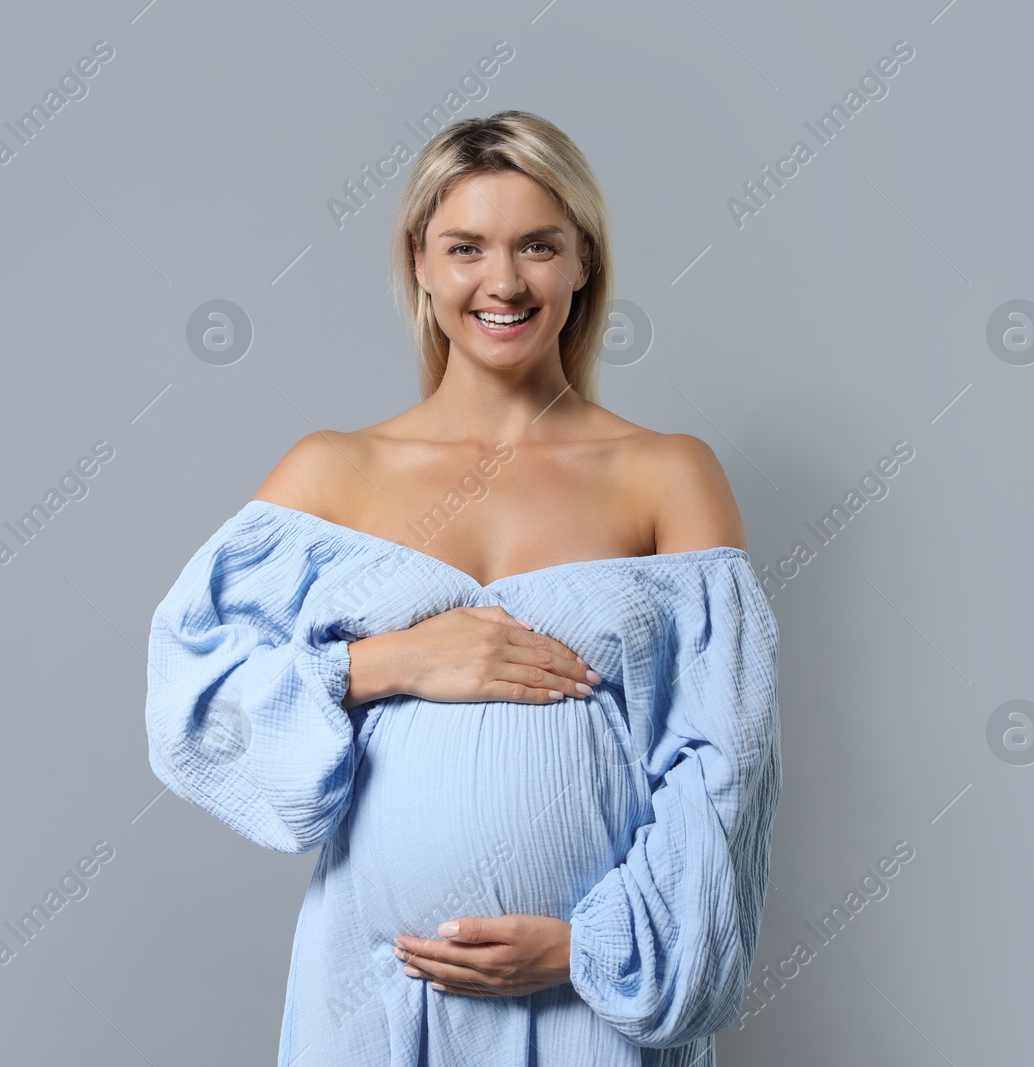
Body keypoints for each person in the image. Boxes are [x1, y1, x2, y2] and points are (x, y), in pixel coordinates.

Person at [145, 110, 781, 1066]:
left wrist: (591, 951)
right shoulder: (333, 474)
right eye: (467, 247)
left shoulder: (667, 476)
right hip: (373, 992)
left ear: (582, 263)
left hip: (589, 1004)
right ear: (420, 263)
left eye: (537, 245)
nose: (504, 281)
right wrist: (388, 662)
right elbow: (191, 702)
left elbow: (726, 766)